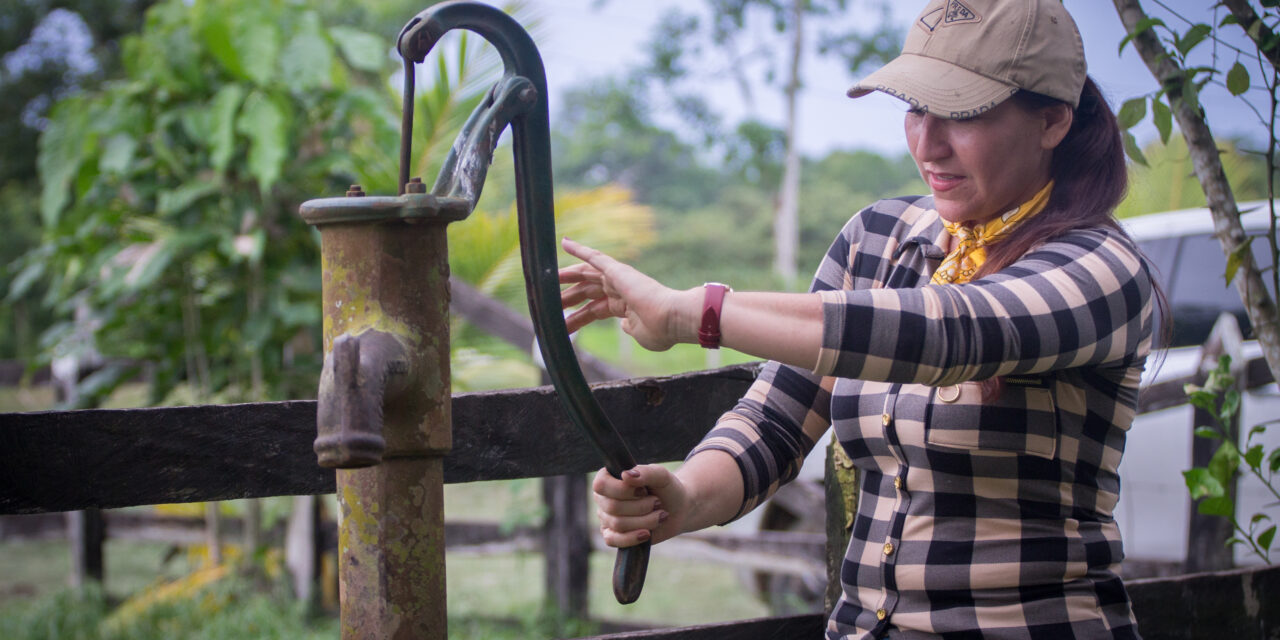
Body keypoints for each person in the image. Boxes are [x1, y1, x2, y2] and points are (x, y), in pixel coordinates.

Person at [559, 0, 1156, 637]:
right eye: (917, 109)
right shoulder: (878, 239)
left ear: (1053, 122)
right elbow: (773, 420)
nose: (928, 144)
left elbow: (943, 332)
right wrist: (685, 498)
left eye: (963, 113)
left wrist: (693, 314)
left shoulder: (1102, 269)